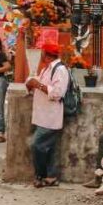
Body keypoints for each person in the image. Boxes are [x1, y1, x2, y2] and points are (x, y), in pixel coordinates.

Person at [25, 41, 70, 188]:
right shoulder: (47, 69)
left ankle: (40, 175)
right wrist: (32, 82)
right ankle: (50, 177)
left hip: (51, 117)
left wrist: (37, 84)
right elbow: (40, 82)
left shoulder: (60, 69)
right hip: (43, 115)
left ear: (46, 54)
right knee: (47, 148)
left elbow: (57, 93)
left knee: (36, 145)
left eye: (42, 52)